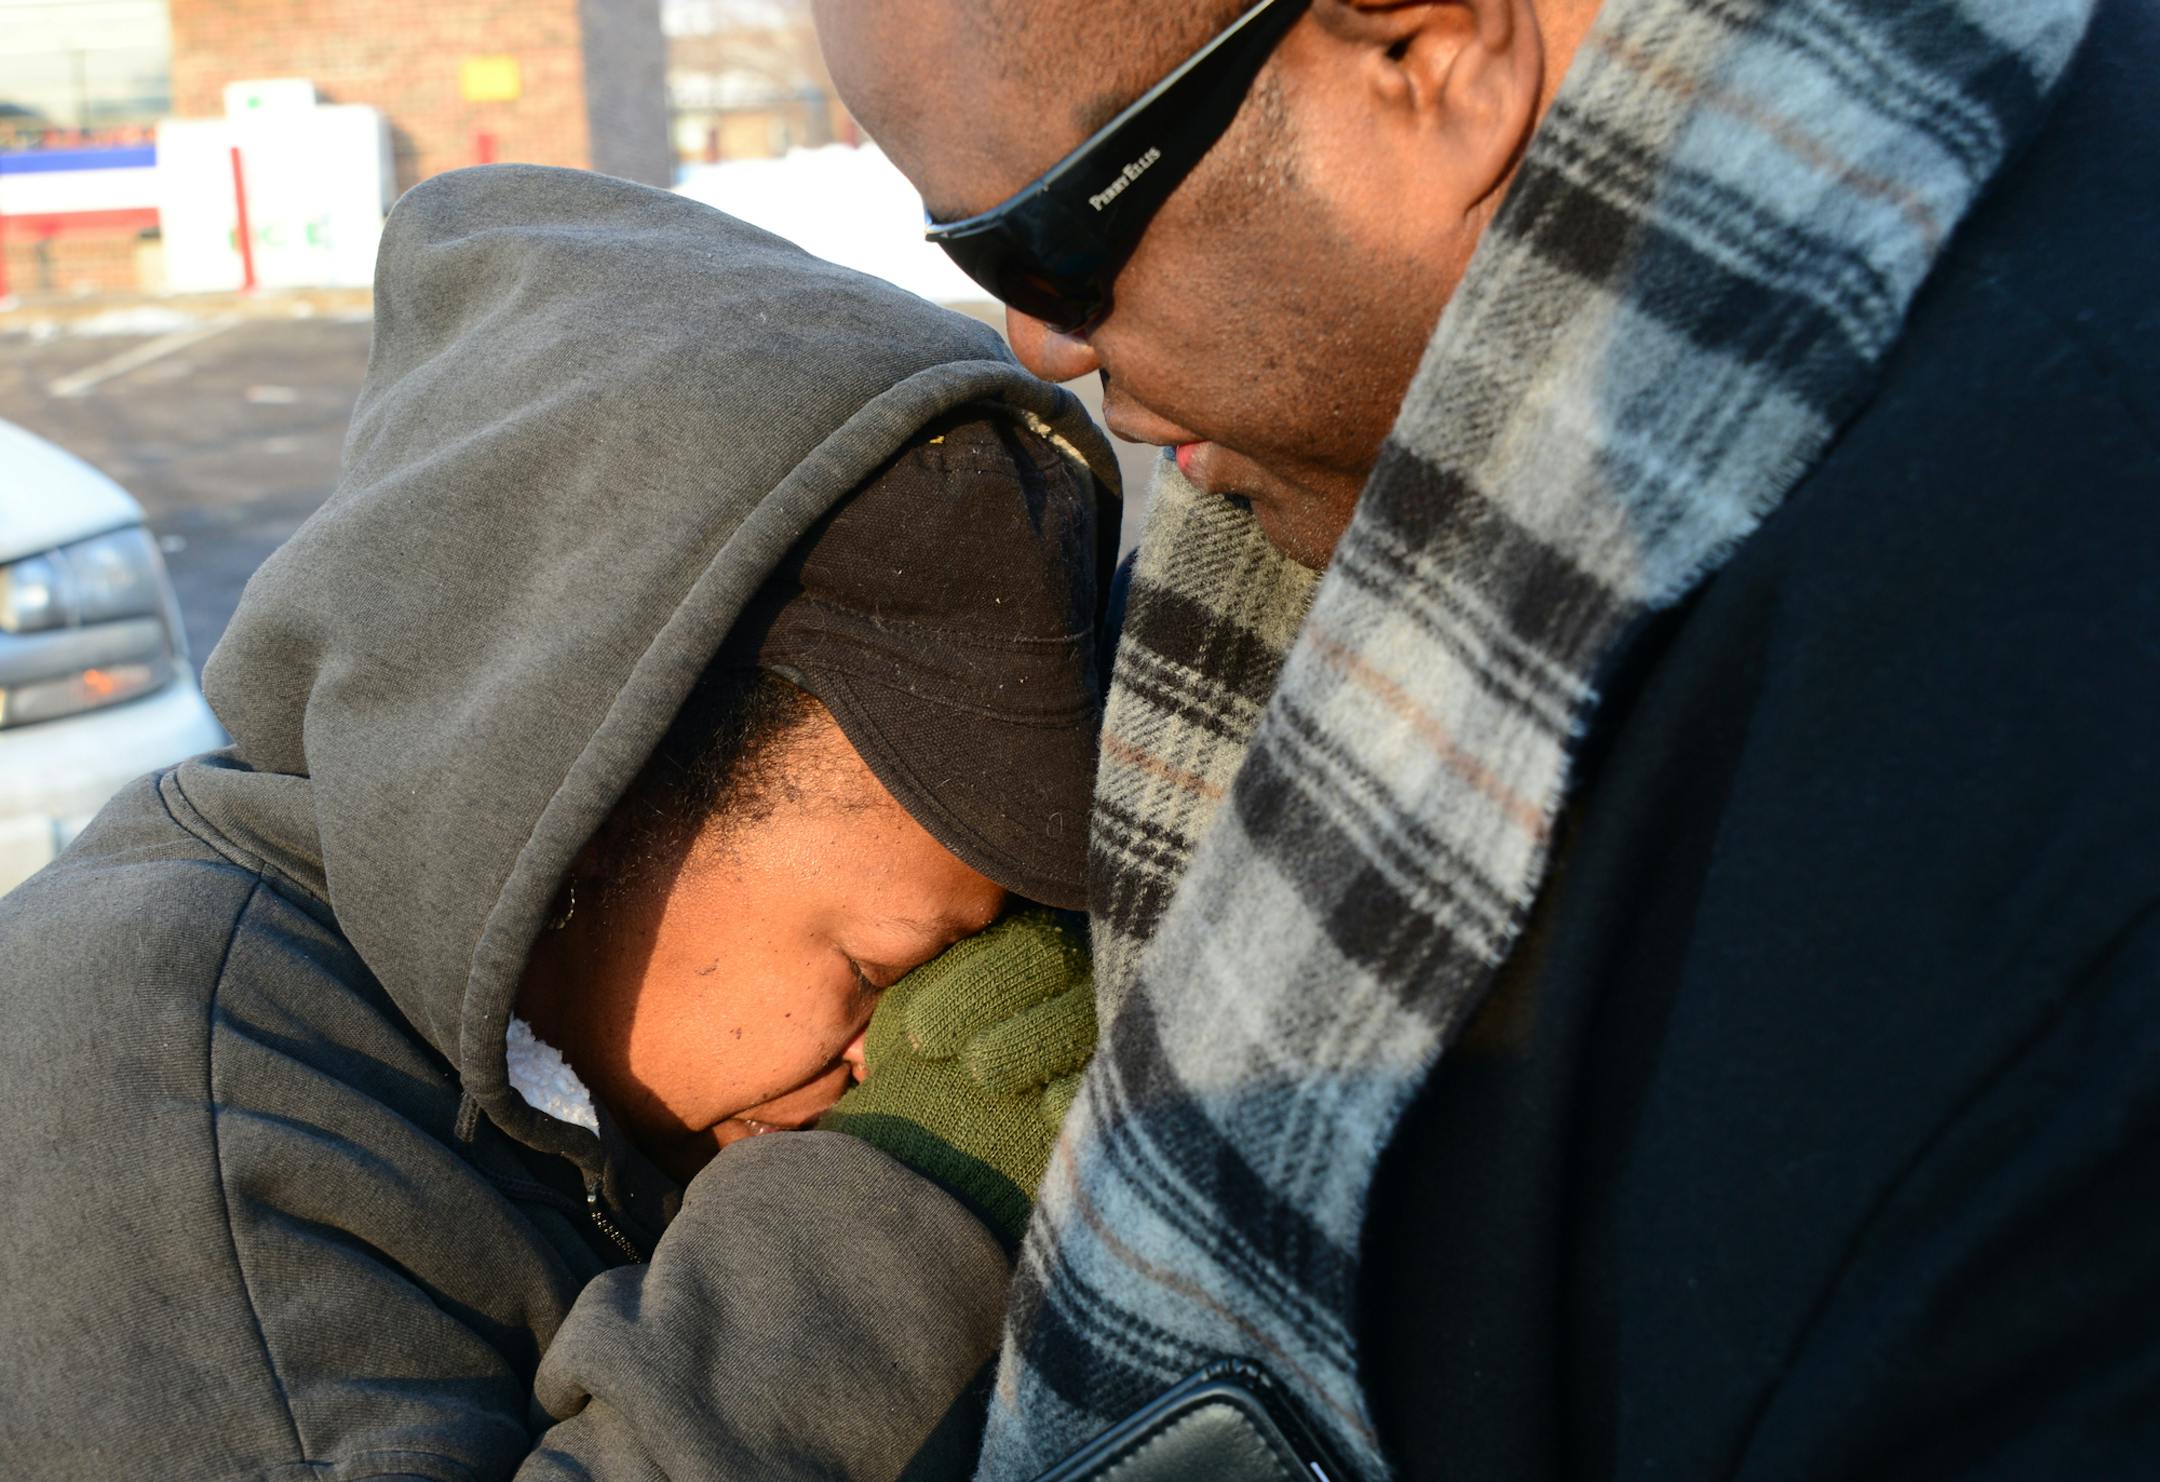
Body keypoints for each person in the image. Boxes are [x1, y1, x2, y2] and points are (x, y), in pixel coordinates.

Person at [809, 0, 2160, 1476]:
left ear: (1437, 55)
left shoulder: (2018, 779)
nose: (1039, 342)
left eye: (1049, 243)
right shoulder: (1331, 498)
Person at [0, 163, 1116, 1479]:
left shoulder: (542, 1032)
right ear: (595, 783)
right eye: (872, 969)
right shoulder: (152, 1089)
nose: (913, 1049)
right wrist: (900, 1215)